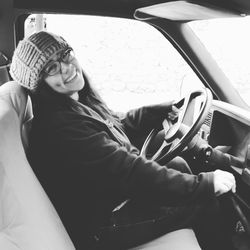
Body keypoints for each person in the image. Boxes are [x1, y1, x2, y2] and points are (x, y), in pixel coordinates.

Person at [9, 31, 236, 250]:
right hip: (103, 224)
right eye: (52, 67)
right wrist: (205, 184)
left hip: (112, 199)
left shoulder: (76, 102)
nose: (67, 68)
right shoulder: (61, 127)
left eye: (65, 54)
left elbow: (114, 123)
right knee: (205, 201)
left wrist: (155, 112)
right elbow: (130, 171)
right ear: (39, 84)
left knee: (178, 165)